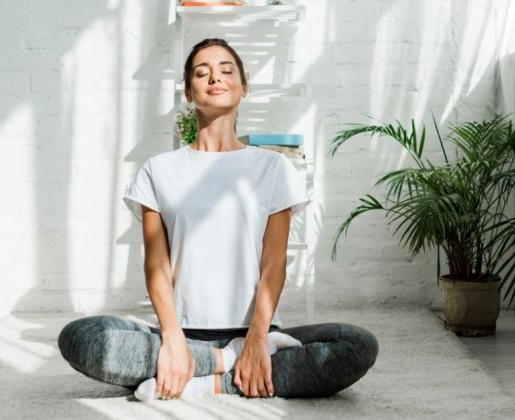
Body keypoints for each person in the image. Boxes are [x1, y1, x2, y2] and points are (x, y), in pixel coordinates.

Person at [57, 38, 379, 401]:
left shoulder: (273, 167)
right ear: (189, 92)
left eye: (226, 70)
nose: (215, 77)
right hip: (182, 331)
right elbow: (156, 266)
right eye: (201, 72)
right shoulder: (158, 170)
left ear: (243, 88)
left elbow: (273, 265)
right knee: (81, 337)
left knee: (356, 344)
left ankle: (205, 379)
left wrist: (257, 338)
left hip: (257, 329)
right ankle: (228, 362)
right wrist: (173, 338)